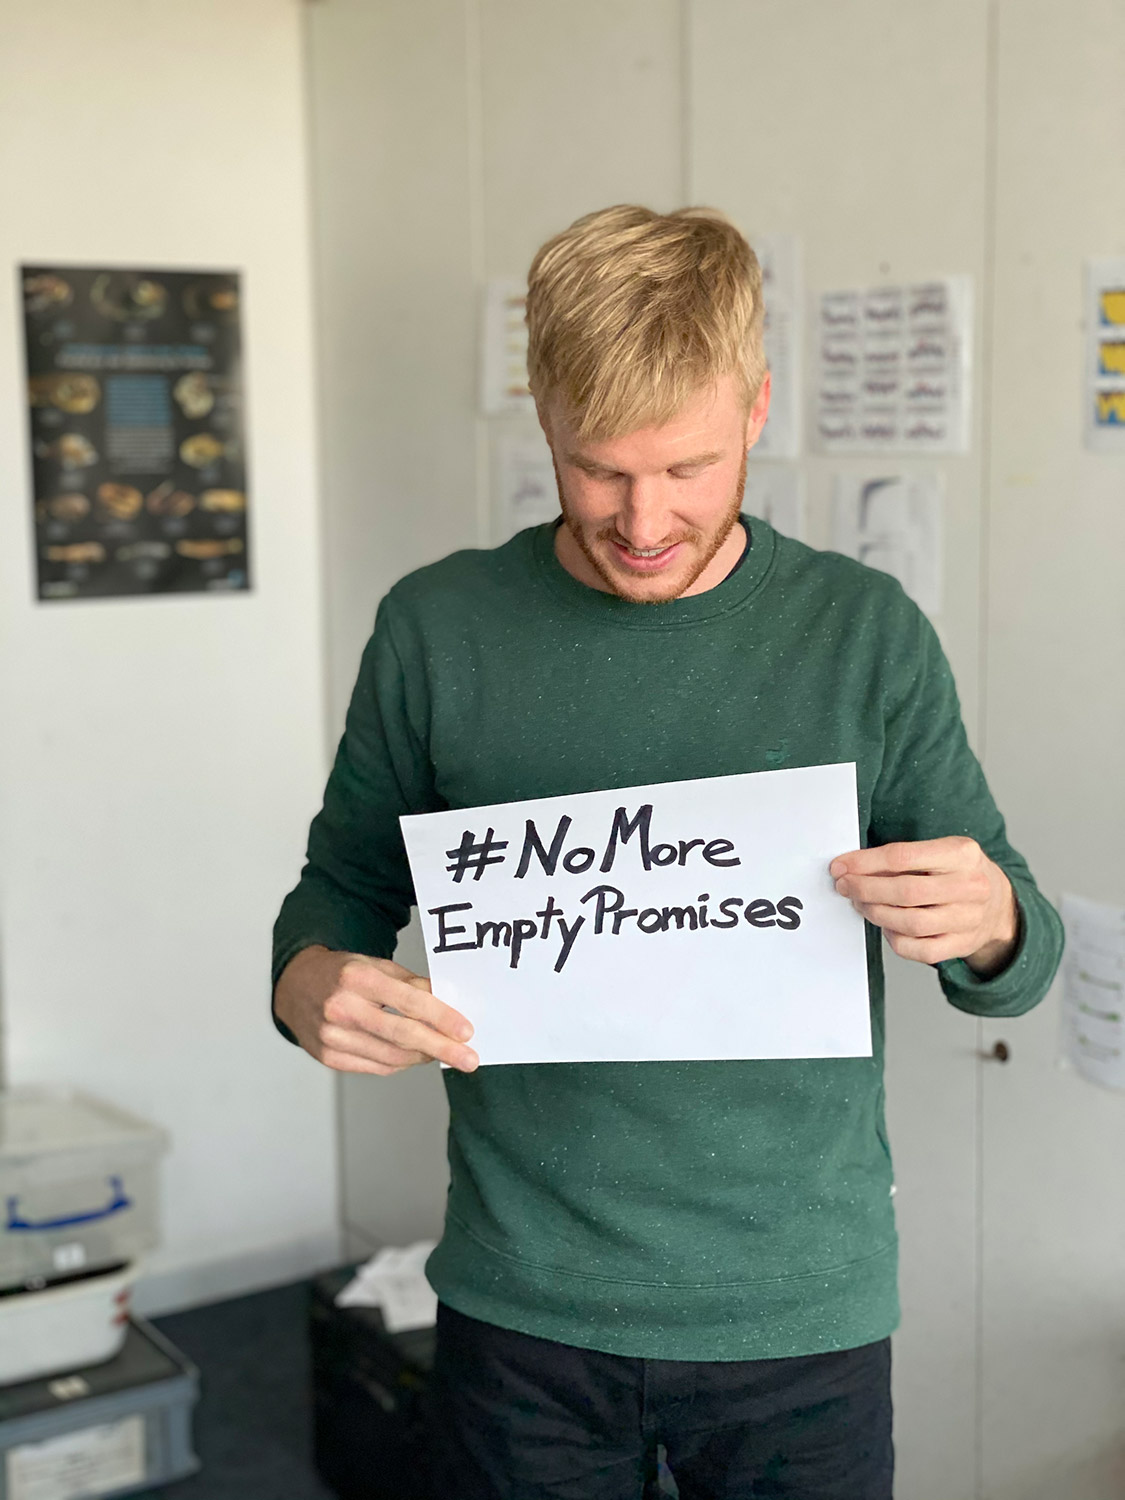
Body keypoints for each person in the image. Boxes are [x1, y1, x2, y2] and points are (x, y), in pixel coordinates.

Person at [272, 205, 1063, 1500]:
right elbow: (340, 887)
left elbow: (1020, 958)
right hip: (520, 1305)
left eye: (687, 468)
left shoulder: (861, 636)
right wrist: (310, 982)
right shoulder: (435, 630)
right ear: (541, 416)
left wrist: (989, 922)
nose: (642, 520)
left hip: (796, 1316)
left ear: (756, 409)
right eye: (598, 470)